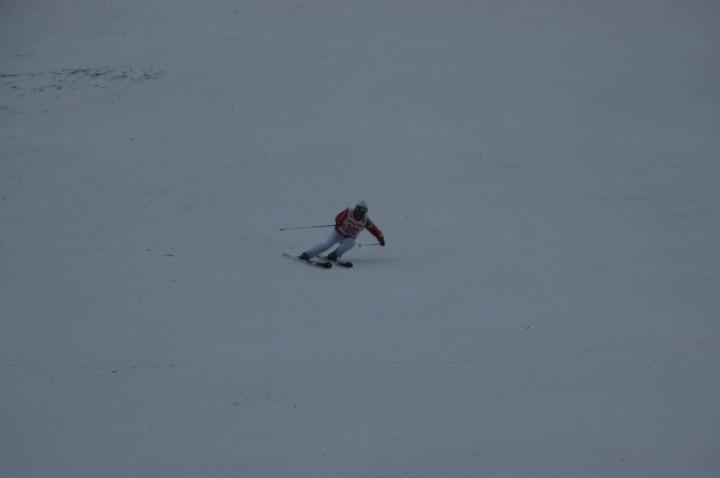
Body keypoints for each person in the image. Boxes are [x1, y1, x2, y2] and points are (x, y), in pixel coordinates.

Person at [299, 200, 385, 262]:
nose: (362, 213)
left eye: (364, 211)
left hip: (349, 238)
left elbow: (374, 229)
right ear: (357, 209)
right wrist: (339, 223)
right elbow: (338, 217)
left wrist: (381, 239)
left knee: (351, 243)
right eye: (361, 210)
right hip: (338, 233)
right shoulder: (349, 212)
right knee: (326, 245)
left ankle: (334, 255)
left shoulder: (365, 220)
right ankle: (307, 254)